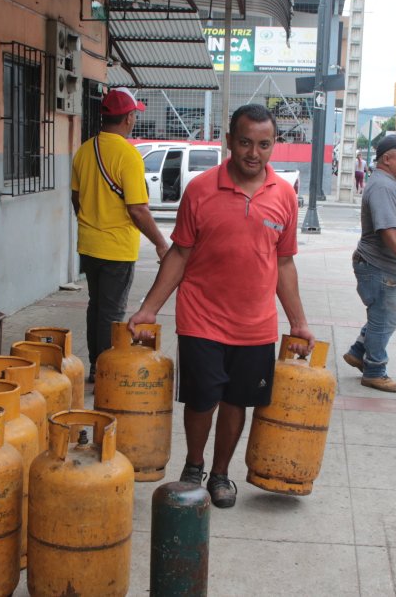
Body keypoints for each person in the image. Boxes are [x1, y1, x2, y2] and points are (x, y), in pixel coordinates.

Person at [128, 104, 315, 508]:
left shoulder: (284, 195)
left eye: (264, 145)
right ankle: (193, 465)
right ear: (229, 140)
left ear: (273, 145)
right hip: (201, 317)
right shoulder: (200, 190)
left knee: (237, 401)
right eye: (245, 142)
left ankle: (220, 473)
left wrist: (298, 322)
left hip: (256, 324)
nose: (254, 153)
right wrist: (148, 309)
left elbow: (284, 263)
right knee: (201, 399)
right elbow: (180, 254)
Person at [71, 87, 170, 383]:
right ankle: (105, 370)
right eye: (134, 115)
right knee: (111, 313)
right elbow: (138, 209)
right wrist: (161, 243)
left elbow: (76, 199)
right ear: (128, 118)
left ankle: (95, 364)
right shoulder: (128, 155)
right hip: (116, 249)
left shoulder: (84, 150)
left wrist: (92, 221)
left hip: (89, 245)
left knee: (96, 307)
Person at [342, 135, 396, 393]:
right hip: (382, 266)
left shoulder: (388, 183)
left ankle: (358, 352)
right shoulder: (383, 187)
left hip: (387, 267)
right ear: (387, 159)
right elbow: (387, 227)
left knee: (384, 315)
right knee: (383, 318)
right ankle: (375, 370)